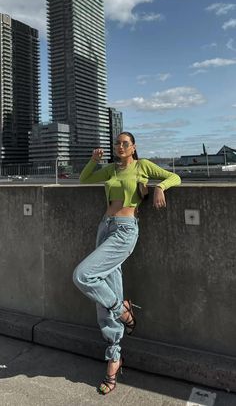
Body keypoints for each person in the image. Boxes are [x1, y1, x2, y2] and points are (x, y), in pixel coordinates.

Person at [73, 132, 181, 395]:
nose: (119, 146)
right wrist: (92, 161)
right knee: (103, 293)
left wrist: (159, 187)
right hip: (105, 228)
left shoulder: (142, 166)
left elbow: (174, 177)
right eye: (117, 143)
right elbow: (84, 178)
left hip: (124, 230)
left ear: (133, 148)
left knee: (83, 276)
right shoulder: (110, 169)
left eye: (125, 143)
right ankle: (114, 356)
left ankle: (122, 309)